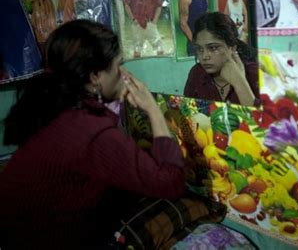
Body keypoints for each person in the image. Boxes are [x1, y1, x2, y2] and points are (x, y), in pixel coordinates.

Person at [0, 20, 185, 249]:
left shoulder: (56, 105)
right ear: (96, 76)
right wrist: (153, 110)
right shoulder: (90, 132)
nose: (125, 75)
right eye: (119, 66)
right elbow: (170, 183)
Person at [184, 12, 259, 106]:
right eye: (200, 49)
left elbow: (264, 119)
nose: (204, 56)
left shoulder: (255, 73)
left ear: (232, 48)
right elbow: (188, 112)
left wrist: (240, 83)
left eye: (213, 48)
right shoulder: (197, 74)